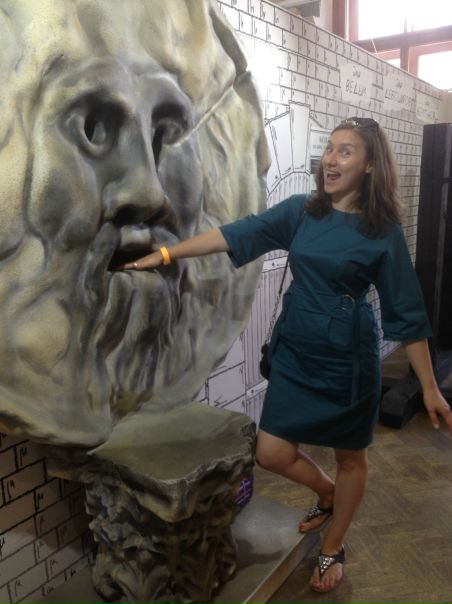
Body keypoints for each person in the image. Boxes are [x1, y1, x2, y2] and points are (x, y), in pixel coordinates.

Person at [121, 117, 452, 593]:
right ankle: (327, 493)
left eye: (345, 151)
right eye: (329, 149)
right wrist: (170, 254)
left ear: (371, 165)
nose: (330, 160)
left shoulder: (382, 232)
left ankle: (333, 544)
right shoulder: (303, 211)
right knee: (271, 453)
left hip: (347, 359)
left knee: (350, 458)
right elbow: (238, 233)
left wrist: (430, 387)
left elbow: (408, 312)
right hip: (296, 349)